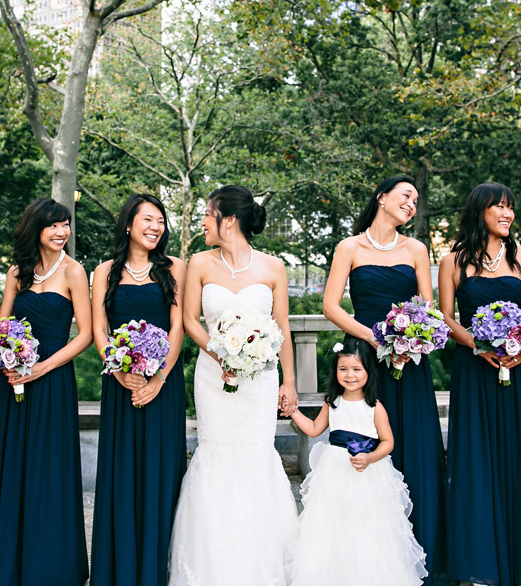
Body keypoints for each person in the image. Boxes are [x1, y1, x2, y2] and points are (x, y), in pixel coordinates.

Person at [169, 184, 299, 586]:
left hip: (260, 381)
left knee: (256, 455)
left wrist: (289, 381)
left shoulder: (274, 267)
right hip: (214, 377)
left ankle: (263, 566)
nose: (202, 223)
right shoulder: (200, 263)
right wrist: (220, 355)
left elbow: (282, 327)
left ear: (228, 220)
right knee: (215, 455)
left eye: (206, 215)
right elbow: (191, 320)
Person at [322, 175, 445, 582]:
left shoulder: (416, 249)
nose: (412, 203)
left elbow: (428, 307)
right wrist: (371, 336)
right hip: (364, 362)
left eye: (415, 199)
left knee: (414, 445)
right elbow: (331, 306)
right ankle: (364, 559)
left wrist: (411, 338)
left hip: (409, 362)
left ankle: (420, 553)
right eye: (405, 195)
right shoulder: (349, 247)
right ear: (382, 198)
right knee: (364, 446)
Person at [438, 182, 521, 586]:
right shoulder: (453, 259)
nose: (507, 214)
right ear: (479, 211)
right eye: (499, 207)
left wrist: (520, 344)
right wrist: (479, 344)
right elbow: (447, 317)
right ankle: (480, 559)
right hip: (475, 369)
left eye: (510, 208)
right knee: (478, 456)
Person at [0, 198, 92, 586]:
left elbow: (88, 335)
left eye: (66, 225)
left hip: (53, 379)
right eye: (54, 226)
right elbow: (1, 324)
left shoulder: (75, 272)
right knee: (15, 468)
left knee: (50, 469)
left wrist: (42, 367)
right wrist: (8, 358)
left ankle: (52, 566)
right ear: (36, 229)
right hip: (13, 380)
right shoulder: (16, 272)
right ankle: (11, 564)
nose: (62, 232)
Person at [89, 194, 187, 586]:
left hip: (163, 384)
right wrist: (118, 372)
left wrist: (159, 377)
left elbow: (178, 327)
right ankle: (120, 567)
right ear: (128, 224)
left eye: (161, 220)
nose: (155, 227)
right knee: (122, 471)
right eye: (148, 219)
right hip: (120, 383)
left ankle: (155, 567)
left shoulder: (175, 267)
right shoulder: (104, 271)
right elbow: (99, 328)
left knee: (160, 471)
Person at [286, 337, 427, 586]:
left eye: (356, 369)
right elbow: (314, 429)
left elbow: (387, 442)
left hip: (368, 474)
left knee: (367, 525)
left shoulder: (374, 407)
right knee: (332, 524)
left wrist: (370, 457)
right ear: (336, 371)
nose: (349, 375)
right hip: (334, 473)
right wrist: (294, 412)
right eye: (343, 369)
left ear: (368, 372)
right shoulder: (333, 402)